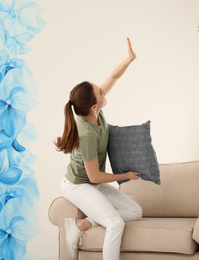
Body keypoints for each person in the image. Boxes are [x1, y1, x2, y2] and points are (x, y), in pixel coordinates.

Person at [55, 38, 143, 260]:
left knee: (135, 211)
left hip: (91, 182)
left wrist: (129, 59)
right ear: (94, 105)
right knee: (115, 223)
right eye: (101, 92)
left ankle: (83, 224)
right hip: (77, 185)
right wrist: (126, 176)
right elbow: (95, 175)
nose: (104, 91)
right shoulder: (85, 133)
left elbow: (113, 77)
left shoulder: (95, 112)